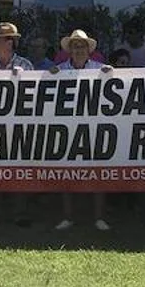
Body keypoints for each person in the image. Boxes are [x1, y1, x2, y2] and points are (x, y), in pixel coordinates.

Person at [52, 30, 111, 232]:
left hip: (93, 128)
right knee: (66, 175)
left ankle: (99, 218)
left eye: (82, 46)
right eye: (75, 46)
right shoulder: (57, 71)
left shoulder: (100, 69)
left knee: (98, 175)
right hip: (67, 128)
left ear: (88, 50)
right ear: (70, 50)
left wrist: (112, 74)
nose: (78, 50)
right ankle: (68, 217)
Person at [0, 23, 34, 227]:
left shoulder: (25, 65)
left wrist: (23, 78)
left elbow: (34, 94)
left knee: (18, 169)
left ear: (10, 42)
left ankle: (20, 213)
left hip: (18, 125)